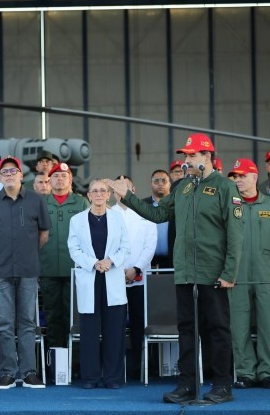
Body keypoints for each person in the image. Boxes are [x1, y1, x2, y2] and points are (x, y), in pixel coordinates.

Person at [108, 132, 243, 405]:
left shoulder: (224, 187)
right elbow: (158, 214)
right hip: (185, 273)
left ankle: (222, 386)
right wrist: (129, 199)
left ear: (207, 157)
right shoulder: (182, 187)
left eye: (192, 155)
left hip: (213, 272)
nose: (187, 160)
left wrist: (230, 272)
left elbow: (235, 232)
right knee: (187, 329)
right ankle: (188, 385)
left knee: (217, 329)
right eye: (185, 155)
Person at [0, 156, 50, 389]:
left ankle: (29, 372)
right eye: (4, 172)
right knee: (4, 322)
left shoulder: (36, 201)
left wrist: (26, 252)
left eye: (13, 171)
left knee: (28, 322)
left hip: (28, 269)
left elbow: (44, 235)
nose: (9, 175)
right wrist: (0, 253)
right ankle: (7, 373)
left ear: (21, 175)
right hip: (1, 270)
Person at [68, 179, 130, 389]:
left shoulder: (118, 218)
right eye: (94, 191)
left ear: (109, 194)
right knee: (90, 331)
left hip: (112, 277)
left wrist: (109, 261)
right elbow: (74, 249)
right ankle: (90, 377)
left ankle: (112, 378)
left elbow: (126, 247)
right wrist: (94, 263)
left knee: (114, 330)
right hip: (89, 277)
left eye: (103, 191)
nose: (99, 194)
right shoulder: (77, 220)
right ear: (88, 195)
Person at [227, 158, 270, 389]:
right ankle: (245, 372)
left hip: (267, 276)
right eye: (235, 176)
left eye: (243, 175)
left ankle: (267, 371)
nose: (238, 180)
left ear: (254, 177)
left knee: (268, 325)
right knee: (239, 326)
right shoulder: (230, 207)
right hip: (238, 277)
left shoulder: (269, 206)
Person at [40, 163, 89, 355]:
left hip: (75, 269)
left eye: (64, 176)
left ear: (70, 180)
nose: (60, 179)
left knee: (74, 316)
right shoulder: (41, 203)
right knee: (52, 315)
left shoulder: (81, 202)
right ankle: (55, 361)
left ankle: (75, 362)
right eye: (56, 176)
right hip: (48, 268)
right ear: (49, 180)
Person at [110, 175, 156, 380]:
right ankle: (115, 369)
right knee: (115, 324)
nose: (120, 192)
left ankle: (139, 368)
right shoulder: (108, 214)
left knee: (138, 323)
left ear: (133, 190)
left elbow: (150, 246)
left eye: (125, 187)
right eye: (117, 188)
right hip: (113, 277)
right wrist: (118, 269)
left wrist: (135, 268)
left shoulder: (146, 215)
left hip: (139, 278)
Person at [142, 169, 175, 269]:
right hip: (146, 261)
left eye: (164, 181)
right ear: (151, 184)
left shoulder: (177, 204)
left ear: (170, 184)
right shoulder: (142, 205)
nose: (160, 184)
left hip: (173, 260)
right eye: (156, 181)